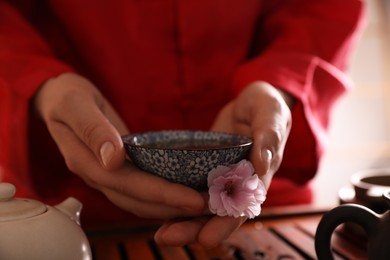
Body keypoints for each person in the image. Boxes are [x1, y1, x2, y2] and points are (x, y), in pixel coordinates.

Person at [0, 0, 365, 247]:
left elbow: (323, 9)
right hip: (67, 205)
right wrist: (41, 83)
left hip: (259, 195)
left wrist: (280, 83)